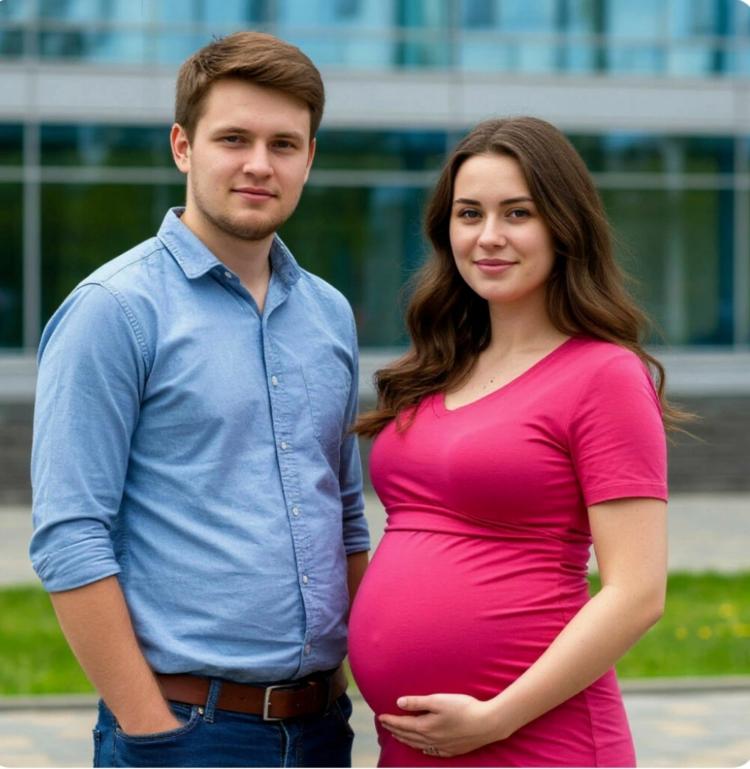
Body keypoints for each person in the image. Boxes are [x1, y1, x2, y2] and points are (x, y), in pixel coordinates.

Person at [29, 31, 369, 768]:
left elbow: (344, 512)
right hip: (188, 732)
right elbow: (69, 536)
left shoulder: (330, 315)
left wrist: (343, 681)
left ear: (309, 158)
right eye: (234, 138)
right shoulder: (114, 311)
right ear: (183, 147)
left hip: (321, 727)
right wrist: (151, 731)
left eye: (284, 144)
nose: (259, 164)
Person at [348, 116, 677, 767]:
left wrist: (497, 717)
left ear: (563, 224)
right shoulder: (437, 365)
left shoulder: (604, 374)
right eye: (469, 213)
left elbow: (637, 592)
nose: (489, 236)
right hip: (413, 744)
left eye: (517, 213)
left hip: (533, 738)